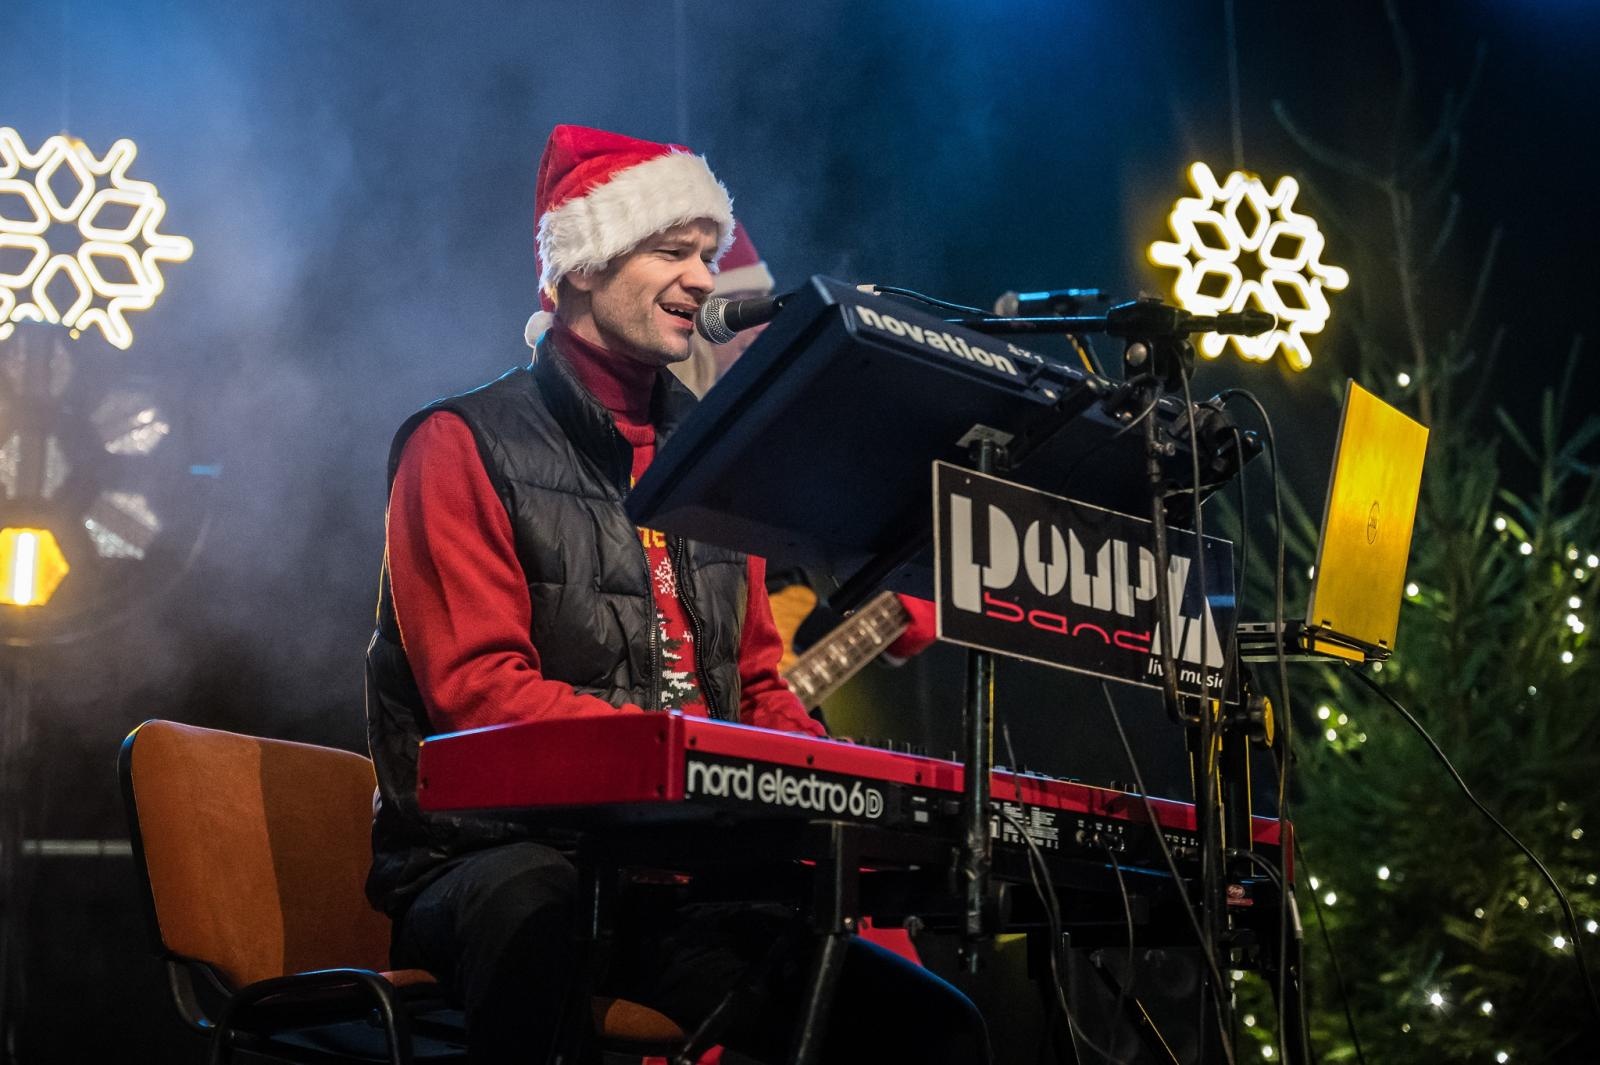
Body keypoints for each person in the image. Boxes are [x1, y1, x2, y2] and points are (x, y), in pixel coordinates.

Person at [363, 124, 988, 1064]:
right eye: (671, 251)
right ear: (583, 263)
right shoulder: (457, 444)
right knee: (537, 912)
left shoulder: (718, 454)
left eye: (706, 253)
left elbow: (760, 689)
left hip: (677, 876)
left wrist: (863, 787)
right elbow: (481, 698)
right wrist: (681, 761)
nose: (703, 279)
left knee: (930, 1027)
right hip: (495, 858)